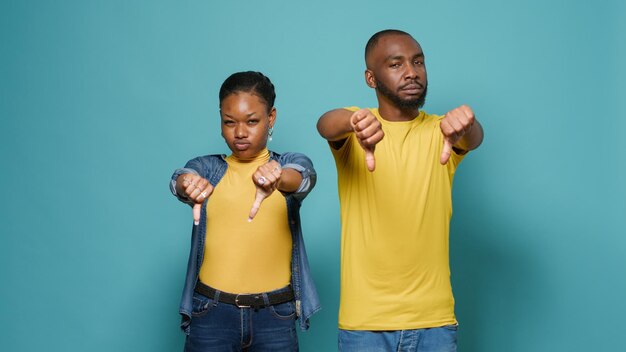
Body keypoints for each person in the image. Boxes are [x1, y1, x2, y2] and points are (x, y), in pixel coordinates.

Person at [317, 30, 484, 351]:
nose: (412, 71)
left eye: (418, 62)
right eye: (396, 64)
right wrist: (355, 121)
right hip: (365, 325)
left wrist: (468, 123)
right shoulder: (355, 130)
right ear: (371, 78)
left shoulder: (442, 132)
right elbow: (326, 124)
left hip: (434, 322)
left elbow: (472, 138)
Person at [170, 71, 320, 351]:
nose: (240, 132)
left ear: (271, 118)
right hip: (211, 313)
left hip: (275, 315)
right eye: (229, 122)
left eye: (252, 121)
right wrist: (186, 184)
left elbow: (303, 177)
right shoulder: (208, 168)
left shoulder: (287, 164)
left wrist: (276, 177)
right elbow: (182, 178)